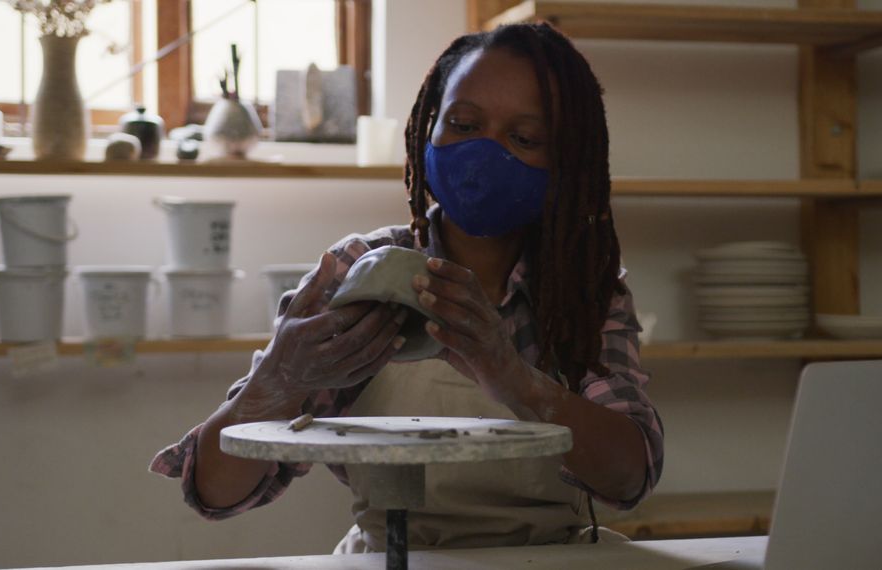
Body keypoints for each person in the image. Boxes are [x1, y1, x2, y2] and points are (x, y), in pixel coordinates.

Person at [150, 21, 664, 553]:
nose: (485, 155)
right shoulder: (361, 274)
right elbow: (214, 491)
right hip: (389, 557)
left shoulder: (582, 290)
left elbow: (630, 477)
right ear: (428, 131)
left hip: (550, 560)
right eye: (463, 125)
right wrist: (279, 378)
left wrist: (517, 381)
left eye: (525, 138)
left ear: (567, 162)